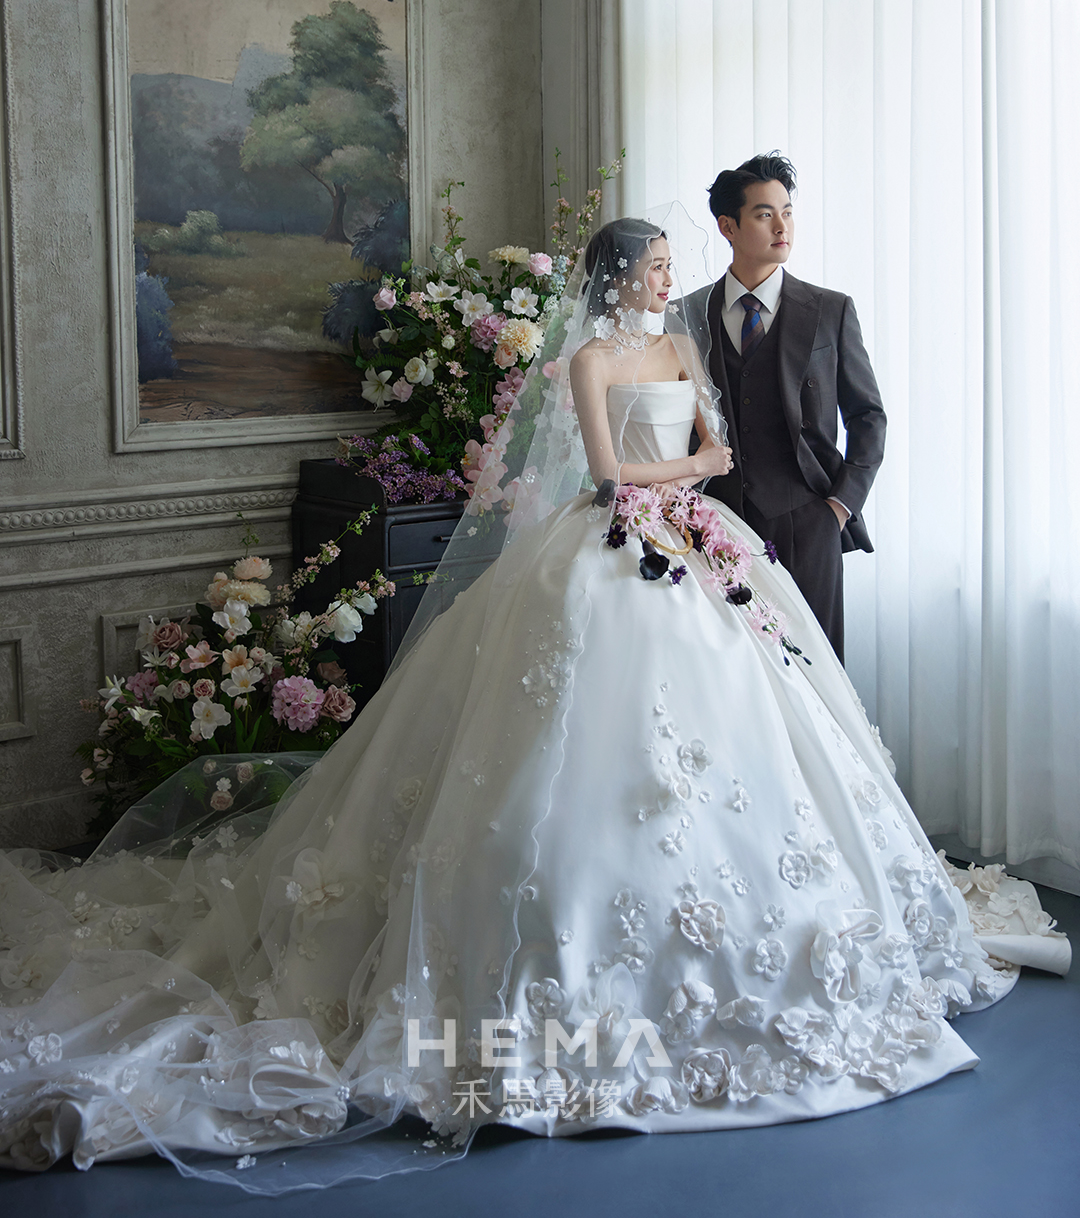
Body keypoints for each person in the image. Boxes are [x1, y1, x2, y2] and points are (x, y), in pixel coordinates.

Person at [0, 214, 1067, 1190]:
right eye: (655, 266)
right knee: (563, 741)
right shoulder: (590, 358)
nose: (669, 279)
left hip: (692, 549)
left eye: (670, 266)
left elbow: (712, 452)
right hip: (609, 551)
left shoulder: (682, 348)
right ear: (618, 277)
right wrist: (687, 470)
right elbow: (609, 474)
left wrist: (693, 475)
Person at [684, 155, 886, 661]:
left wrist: (838, 508)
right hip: (714, 526)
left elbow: (868, 417)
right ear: (727, 227)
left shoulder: (831, 310)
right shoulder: (686, 315)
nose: (782, 227)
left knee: (815, 674)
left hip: (808, 523)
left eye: (788, 212)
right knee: (728, 672)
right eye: (764, 214)